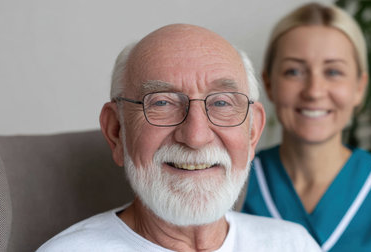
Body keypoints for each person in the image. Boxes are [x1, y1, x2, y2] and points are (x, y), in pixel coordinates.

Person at [37, 24, 321, 251]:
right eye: (162, 103)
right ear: (116, 132)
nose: (195, 137)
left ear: (252, 132)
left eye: (221, 103)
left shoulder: (293, 244)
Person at [242, 2, 371, 252]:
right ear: (268, 83)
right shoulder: (233, 185)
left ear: (359, 87)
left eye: (333, 72)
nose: (314, 91)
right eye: (294, 71)